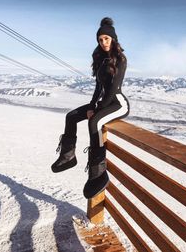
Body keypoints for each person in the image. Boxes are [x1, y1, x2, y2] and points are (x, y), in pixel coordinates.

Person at [51, 17, 130, 199]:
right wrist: (93, 104)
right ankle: (68, 158)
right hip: (104, 102)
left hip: (118, 104)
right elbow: (99, 87)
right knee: (71, 116)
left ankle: (98, 174)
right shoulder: (101, 59)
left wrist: (97, 109)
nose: (103, 42)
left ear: (113, 39)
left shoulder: (120, 59)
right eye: (100, 39)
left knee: (94, 122)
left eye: (106, 39)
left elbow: (111, 89)